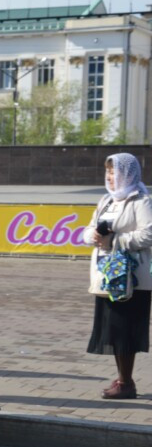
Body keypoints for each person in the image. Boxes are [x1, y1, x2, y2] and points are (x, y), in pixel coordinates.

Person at [83, 153, 152, 400]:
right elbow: (88, 229)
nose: (111, 177)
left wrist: (115, 240)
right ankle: (123, 379)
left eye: (115, 172)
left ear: (129, 174)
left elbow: (148, 234)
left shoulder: (141, 200)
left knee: (125, 330)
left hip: (132, 278)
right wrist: (92, 235)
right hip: (107, 276)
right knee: (112, 329)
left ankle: (126, 382)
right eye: (108, 172)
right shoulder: (106, 200)